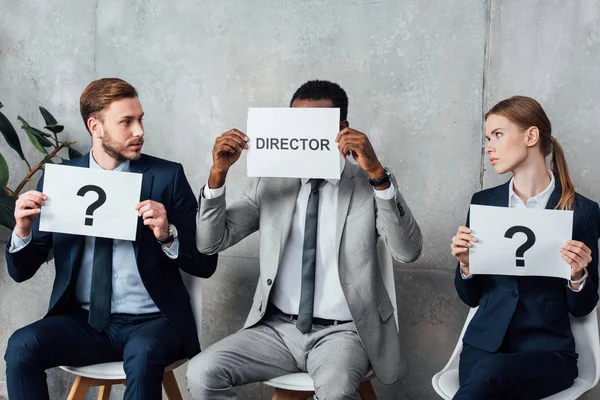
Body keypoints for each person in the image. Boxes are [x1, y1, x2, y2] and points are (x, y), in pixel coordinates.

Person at [187, 80, 423, 399]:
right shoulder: (270, 182)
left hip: (344, 332)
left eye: (314, 124)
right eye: (296, 123)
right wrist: (217, 176)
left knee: (335, 392)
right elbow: (210, 243)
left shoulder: (367, 184)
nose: (304, 133)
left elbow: (407, 252)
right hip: (276, 330)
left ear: (343, 129)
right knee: (203, 373)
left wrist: (378, 174)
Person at [4, 78, 218, 400]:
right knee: (21, 347)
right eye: (127, 122)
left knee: (144, 354)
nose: (140, 131)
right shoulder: (61, 179)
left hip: (154, 321)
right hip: (86, 323)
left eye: (140, 119)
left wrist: (167, 235)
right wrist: (21, 230)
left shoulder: (167, 177)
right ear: (96, 126)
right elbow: (21, 271)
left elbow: (204, 263)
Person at [450, 96, 599, 399]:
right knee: (489, 374)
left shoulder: (582, 211)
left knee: (493, 375)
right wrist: (466, 266)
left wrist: (577, 275)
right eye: (487, 138)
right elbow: (471, 297)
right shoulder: (483, 203)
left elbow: (583, 307)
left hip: (547, 352)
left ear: (530, 136)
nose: (489, 147)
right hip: (485, 346)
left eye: (498, 135)